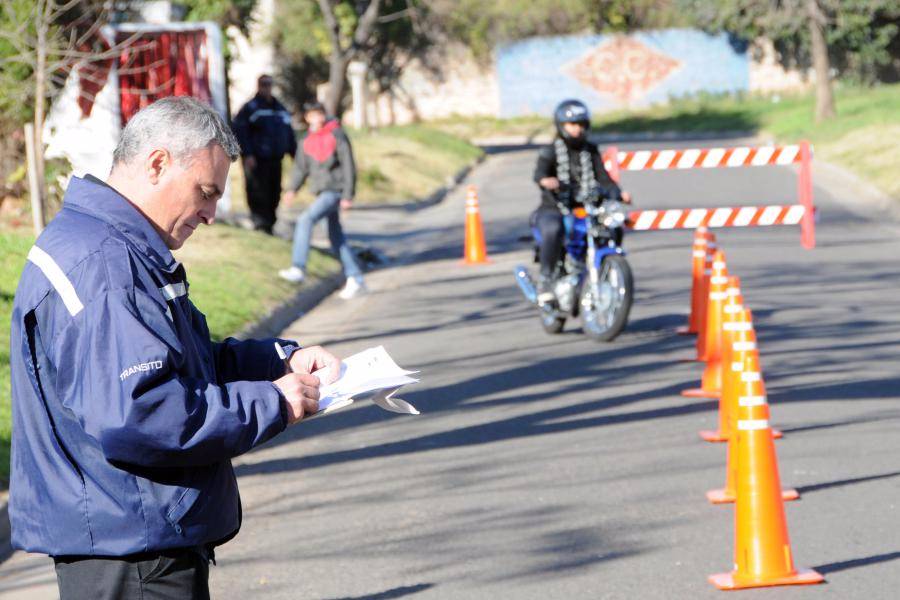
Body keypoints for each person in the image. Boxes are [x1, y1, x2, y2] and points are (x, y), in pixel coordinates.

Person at [8, 96, 341, 600]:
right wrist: (272, 401)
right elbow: (142, 410)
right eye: (206, 192)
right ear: (158, 163)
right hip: (133, 555)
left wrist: (280, 359)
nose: (210, 214)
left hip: (131, 540)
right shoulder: (105, 264)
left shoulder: (112, 246)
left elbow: (186, 362)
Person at [532, 99, 631, 303]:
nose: (577, 129)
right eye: (572, 124)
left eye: (581, 124)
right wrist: (546, 181)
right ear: (561, 125)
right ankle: (546, 279)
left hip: (586, 207)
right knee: (553, 229)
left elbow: (604, 179)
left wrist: (618, 193)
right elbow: (539, 174)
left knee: (614, 227)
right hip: (555, 207)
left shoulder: (591, 150)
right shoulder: (550, 151)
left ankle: (605, 268)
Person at [278, 101, 366, 300]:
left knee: (305, 220)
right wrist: (292, 189)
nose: (316, 118)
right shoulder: (306, 140)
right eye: (312, 115)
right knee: (336, 236)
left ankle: (298, 267)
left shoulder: (337, 134)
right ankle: (356, 277)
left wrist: (348, 195)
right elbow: (301, 168)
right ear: (307, 118)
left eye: (319, 114)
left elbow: (348, 166)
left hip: (334, 191)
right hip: (320, 192)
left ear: (324, 115)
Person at [232, 74, 297, 234]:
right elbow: (240, 131)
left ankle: (270, 223)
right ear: (258, 86)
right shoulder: (250, 108)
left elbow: (288, 132)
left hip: (276, 158)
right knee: (257, 191)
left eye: (269, 84)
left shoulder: (279, 109)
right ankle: (260, 224)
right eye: (263, 84)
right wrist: (248, 154)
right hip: (256, 160)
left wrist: (295, 154)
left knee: (274, 192)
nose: (266, 87)